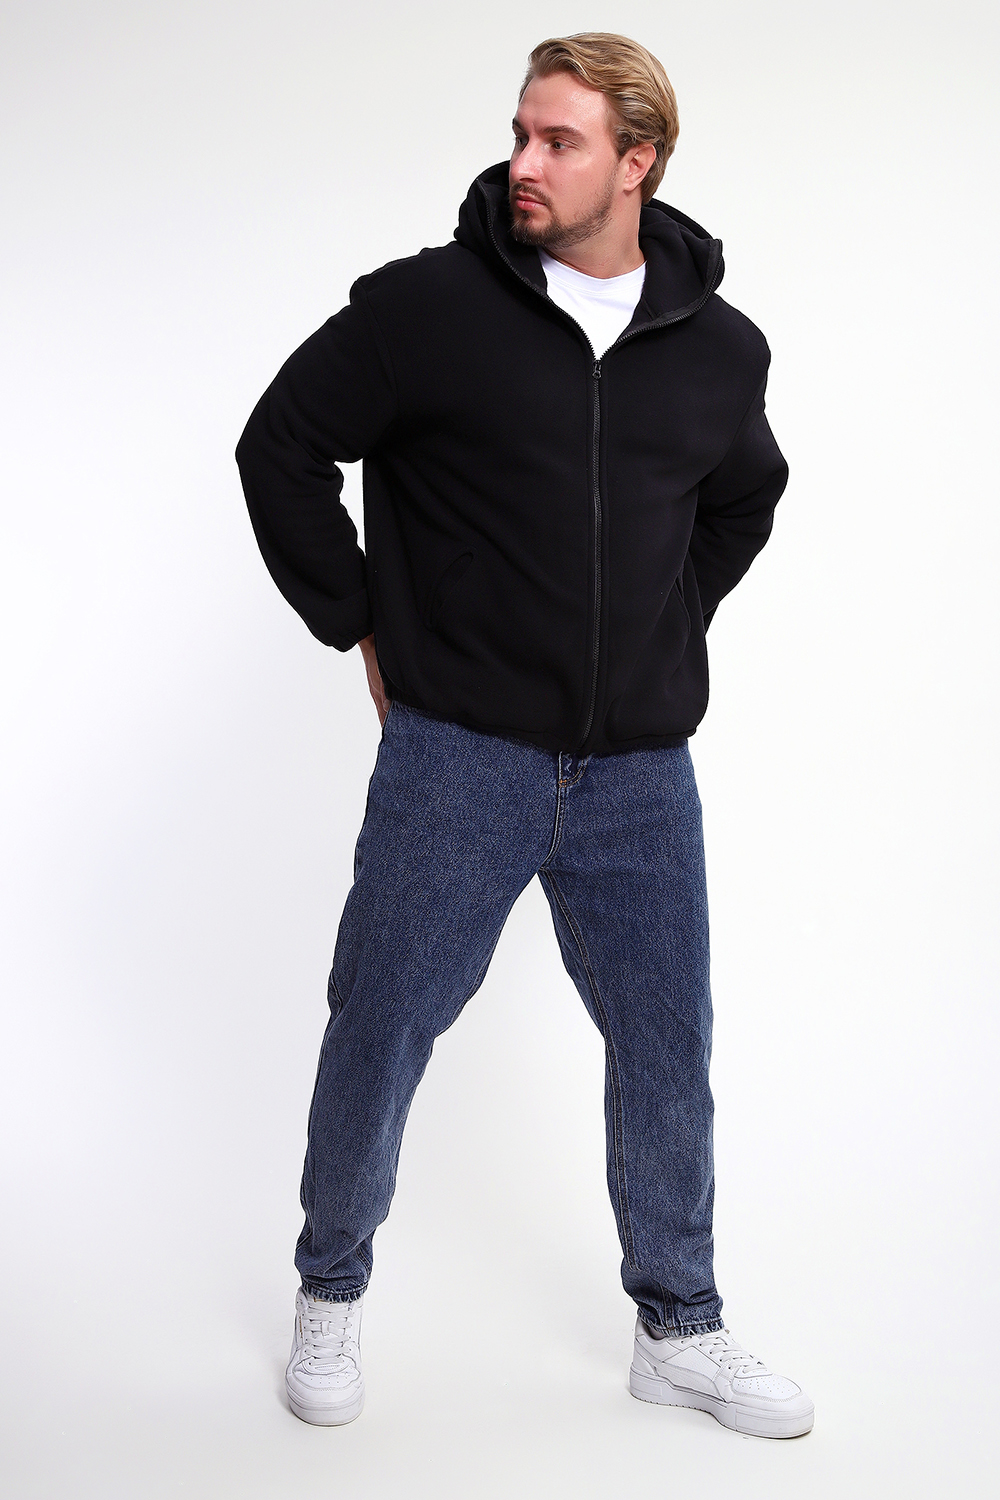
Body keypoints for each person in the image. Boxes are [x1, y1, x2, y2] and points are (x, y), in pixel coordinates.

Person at [236, 32, 813, 1439]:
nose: (524, 163)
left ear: (639, 161)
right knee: (383, 1024)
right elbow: (280, 445)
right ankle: (330, 1286)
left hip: (640, 776)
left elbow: (745, 494)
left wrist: (665, 625)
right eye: (519, 132)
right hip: (460, 757)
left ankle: (679, 1325)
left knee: (667, 1045)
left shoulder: (718, 347)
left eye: (560, 141)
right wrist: (358, 620)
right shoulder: (427, 309)